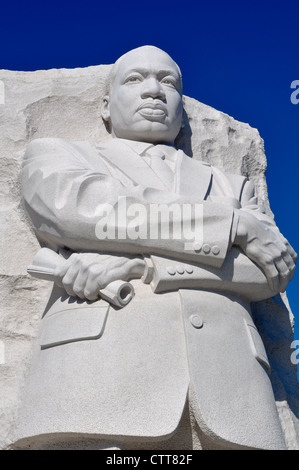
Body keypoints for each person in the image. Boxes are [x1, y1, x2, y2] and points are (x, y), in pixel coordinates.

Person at [15, 46, 296, 450]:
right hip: (95, 385)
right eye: (135, 79)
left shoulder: (232, 186)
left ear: (182, 110)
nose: (154, 91)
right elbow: (87, 211)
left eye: (169, 82)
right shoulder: (60, 155)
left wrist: (141, 266)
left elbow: (271, 270)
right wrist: (234, 225)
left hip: (235, 393)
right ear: (106, 107)